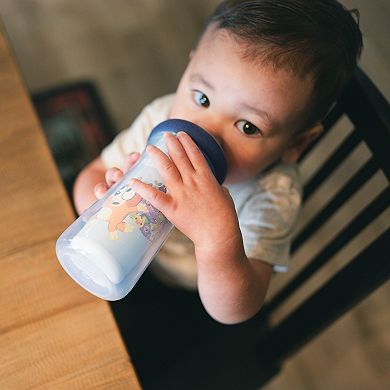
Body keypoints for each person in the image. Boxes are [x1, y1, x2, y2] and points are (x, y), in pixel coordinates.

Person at [73, 0, 362, 327]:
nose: (205, 131)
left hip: (190, 292)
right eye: (203, 98)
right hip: (118, 254)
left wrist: (217, 241)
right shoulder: (163, 117)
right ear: (189, 68)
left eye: (248, 127)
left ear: (296, 144)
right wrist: (103, 204)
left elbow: (236, 309)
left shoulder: (271, 195)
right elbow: (91, 175)